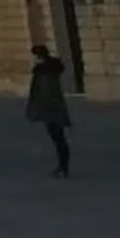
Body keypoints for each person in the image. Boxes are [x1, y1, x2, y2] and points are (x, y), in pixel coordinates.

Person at [25, 44, 73, 177]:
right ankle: (63, 167)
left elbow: (44, 93)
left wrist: (39, 110)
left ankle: (63, 168)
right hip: (56, 107)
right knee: (59, 139)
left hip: (51, 110)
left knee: (58, 139)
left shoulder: (44, 73)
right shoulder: (50, 69)